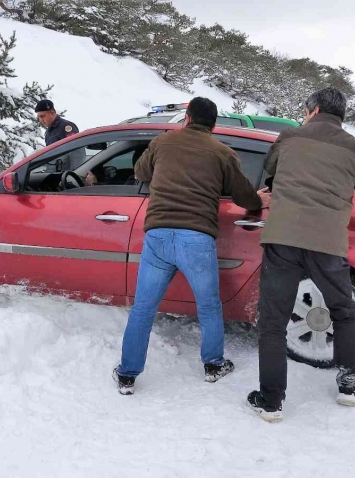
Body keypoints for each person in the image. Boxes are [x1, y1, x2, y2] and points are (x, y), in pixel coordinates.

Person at [246, 88, 355, 422]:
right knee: (344, 312)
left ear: (313, 109)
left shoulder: (290, 136)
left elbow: (271, 167)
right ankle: (349, 385)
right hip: (328, 244)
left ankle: (271, 401)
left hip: (283, 239)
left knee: (273, 321)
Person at [114, 97, 271, 395]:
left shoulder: (162, 143)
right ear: (213, 125)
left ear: (187, 117)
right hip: (196, 239)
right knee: (209, 306)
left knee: (143, 309)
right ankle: (213, 365)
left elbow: (141, 173)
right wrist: (258, 200)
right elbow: (243, 196)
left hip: (158, 236)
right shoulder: (223, 153)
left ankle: (127, 375)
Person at [35, 99, 83, 172]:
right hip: (55, 173)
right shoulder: (49, 131)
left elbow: (76, 152)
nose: (41, 120)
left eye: (43, 116)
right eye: (39, 117)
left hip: (65, 174)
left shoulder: (66, 127)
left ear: (52, 113)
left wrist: (74, 174)